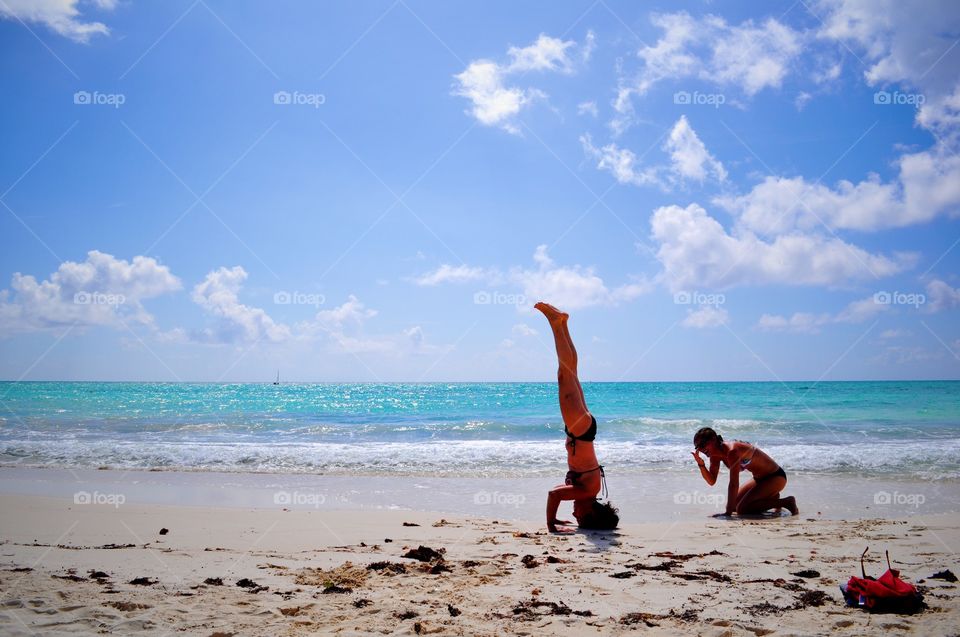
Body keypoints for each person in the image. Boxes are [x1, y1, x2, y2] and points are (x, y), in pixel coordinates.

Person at [535, 301, 619, 533]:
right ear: (591, 511)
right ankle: (555, 323)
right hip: (579, 430)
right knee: (564, 373)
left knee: (570, 372)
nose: (574, 514)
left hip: (585, 427)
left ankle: (562, 323)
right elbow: (554, 494)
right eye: (580, 518)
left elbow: (559, 489)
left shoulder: (589, 492)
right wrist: (551, 524)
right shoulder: (585, 493)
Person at [692, 427, 798, 516]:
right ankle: (772, 497)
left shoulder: (732, 450)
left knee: (742, 509)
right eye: (698, 446)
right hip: (759, 479)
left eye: (703, 444)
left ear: (714, 439)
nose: (701, 449)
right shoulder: (715, 457)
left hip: (775, 477)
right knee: (735, 506)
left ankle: (787, 502)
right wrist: (701, 464)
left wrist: (727, 513)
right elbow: (711, 481)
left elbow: (734, 483)